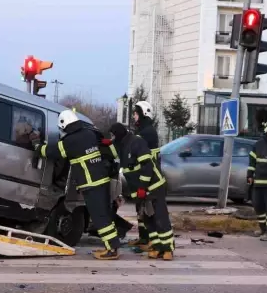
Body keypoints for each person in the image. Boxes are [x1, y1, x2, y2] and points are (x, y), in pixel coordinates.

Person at [30, 110, 121, 260]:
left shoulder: (70, 141)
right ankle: (112, 246)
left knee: (99, 217)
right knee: (104, 215)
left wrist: (37, 146)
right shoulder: (89, 134)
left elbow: (52, 152)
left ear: (64, 125)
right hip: (102, 181)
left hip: (91, 184)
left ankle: (112, 250)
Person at [106, 122, 175, 260]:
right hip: (140, 190)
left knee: (160, 217)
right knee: (148, 219)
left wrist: (143, 187)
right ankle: (156, 246)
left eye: (113, 136)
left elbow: (147, 166)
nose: (112, 138)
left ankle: (168, 248)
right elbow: (113, 153)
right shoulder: (122, 145)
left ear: (118, 134)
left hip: (154, 186)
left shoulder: (137, 142)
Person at [103, 100, 159, 251]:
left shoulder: (146, 133)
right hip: (138, 178)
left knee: (148, 210)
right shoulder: (143, 131)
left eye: (135, 113)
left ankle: (152, 241)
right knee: (140, 209)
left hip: (145, 178)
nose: (134, 116)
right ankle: (143, 238)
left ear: (143, 114)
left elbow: (138, 155)